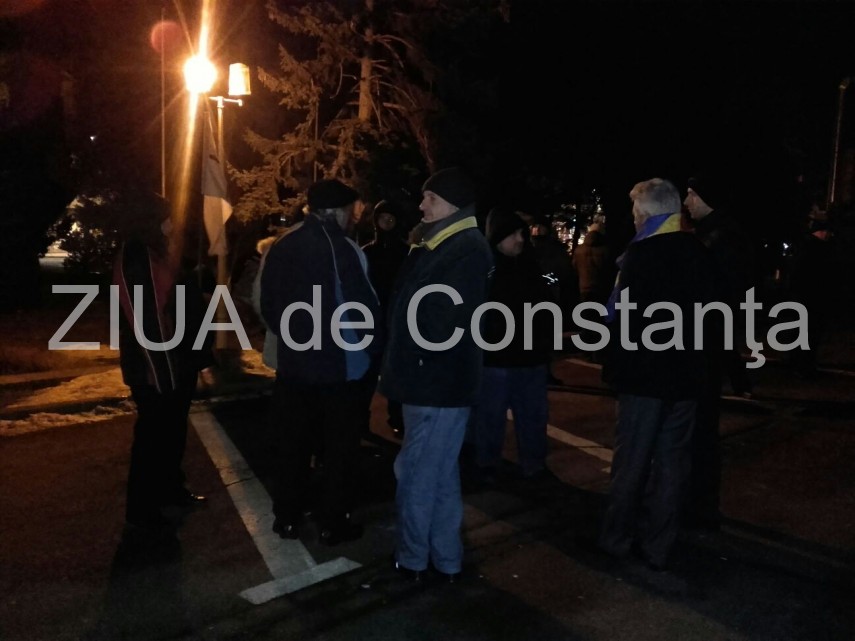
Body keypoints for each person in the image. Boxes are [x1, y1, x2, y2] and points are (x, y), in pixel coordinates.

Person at [379, 167, 493, 581]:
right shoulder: (442, 242)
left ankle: (413, 558)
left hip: (435, 384)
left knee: (416, 474)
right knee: (439, 473)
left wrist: (413, 362)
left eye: (431, 198)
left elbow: (443, 321)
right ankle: (446, 558)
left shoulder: (463, 248)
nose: (421, 204)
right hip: (433, 382)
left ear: (452, 204)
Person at [599, 178, 715, 570]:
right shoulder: (699, 253)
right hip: (686, 379)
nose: (633, 217)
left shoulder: (640, 255)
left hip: (644, 379)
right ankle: (658, 545)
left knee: (631, 463)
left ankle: (616, 539)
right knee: (671, 465)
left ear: (647, 213)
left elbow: (621, 319)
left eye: (636, 210)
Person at [260, 178, 383, 546]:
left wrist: (293, 339)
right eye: (351, 210)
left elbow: (267, 305)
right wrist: (374, 349)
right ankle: (333, 522)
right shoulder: (344, 248)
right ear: (338, 211)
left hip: (293, 369)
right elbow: (363, 308)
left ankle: (287, 518)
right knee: (339, 451)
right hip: (337, 370)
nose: (353, 217)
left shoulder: (282, 245)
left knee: (293, 447)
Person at [113, 188, 214, 535]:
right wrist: (164, 373)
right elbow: (146, 319)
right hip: (155, 367)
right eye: (167, 217)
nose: (172, 223)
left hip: (175, 362)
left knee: (171, 434)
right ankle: (143, 508)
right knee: (152, 439)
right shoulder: (137, 255)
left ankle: (171, 491)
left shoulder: (156, 251)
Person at [682, 172, 753, 531]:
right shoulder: (721, 234)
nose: (686, 202)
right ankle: (699, 504)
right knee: (700, 430)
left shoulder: (717, 239)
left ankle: (700, 507)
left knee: (700, 431)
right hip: (708, 345)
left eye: (691, 194)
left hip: (703, 347)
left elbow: (712, 297)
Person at [472, 207, 556, 482]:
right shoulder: (484, 270)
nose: (521, 239)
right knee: (490, 417)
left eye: (522, 233)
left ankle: (534, 465)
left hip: (530, 359)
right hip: (496, 361)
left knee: (533, 417)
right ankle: (487, 464)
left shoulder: (531, 266)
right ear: (498, 237)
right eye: (514, 234)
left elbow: (547, 308)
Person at [361, 199, 409, 436]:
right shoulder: (368, 252)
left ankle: (397, 417)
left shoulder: (407, 253)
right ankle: (361, 418)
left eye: (391, 218)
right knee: (368, 373)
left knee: (397, 373)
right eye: (383, 218)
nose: (387, 223)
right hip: (373, 320)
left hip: (398, 320)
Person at [787, 215, 835, 378]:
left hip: (803, 297)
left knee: (801, 332)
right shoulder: (818, 249)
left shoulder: (805, 247)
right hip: (811, 298)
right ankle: (804, 365)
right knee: (810, 333)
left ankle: (798, 363)